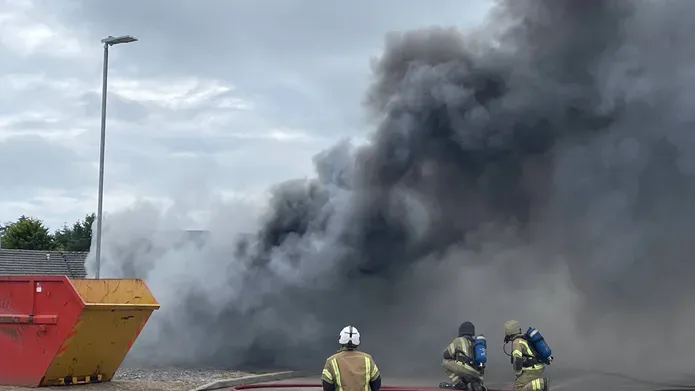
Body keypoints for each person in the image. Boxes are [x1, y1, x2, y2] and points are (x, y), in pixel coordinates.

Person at [321, 325, 382, 391]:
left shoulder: (332, 361)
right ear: (357, 340)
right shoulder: (367, 359)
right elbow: (376, 382)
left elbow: (327, 386)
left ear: (341, 339)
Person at [504, 320, 549, 391]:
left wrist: (518, 373)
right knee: (524, 385)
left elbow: (518, 360)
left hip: (531, 369)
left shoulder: (517, 342)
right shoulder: (524, 339)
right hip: (537, 366)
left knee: (518, 389)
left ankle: (542, 383)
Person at [440, 321, 485, 391]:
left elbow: (446, 354)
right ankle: (475, 383)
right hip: (477, 373)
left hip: (465, 368)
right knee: (471, 375)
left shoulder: (458, 340)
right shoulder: (476, 343)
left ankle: (458, 383)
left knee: (445, 362)